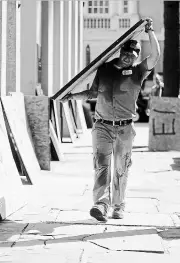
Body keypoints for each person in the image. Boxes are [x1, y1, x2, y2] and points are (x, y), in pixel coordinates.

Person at [61, 18, 160, 222]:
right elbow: (92, 92)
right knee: (102, 166)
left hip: (125, 128)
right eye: (126, 54)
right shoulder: (104, 69)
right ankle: (101, 204)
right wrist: (72, 96)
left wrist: (150, 32)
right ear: (121, 52)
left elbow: (156, 56)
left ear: (136, 57)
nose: (128, 58)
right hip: (102, 126)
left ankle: (118, 206)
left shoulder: (138, 71)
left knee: (121, 168)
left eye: (133, 56)